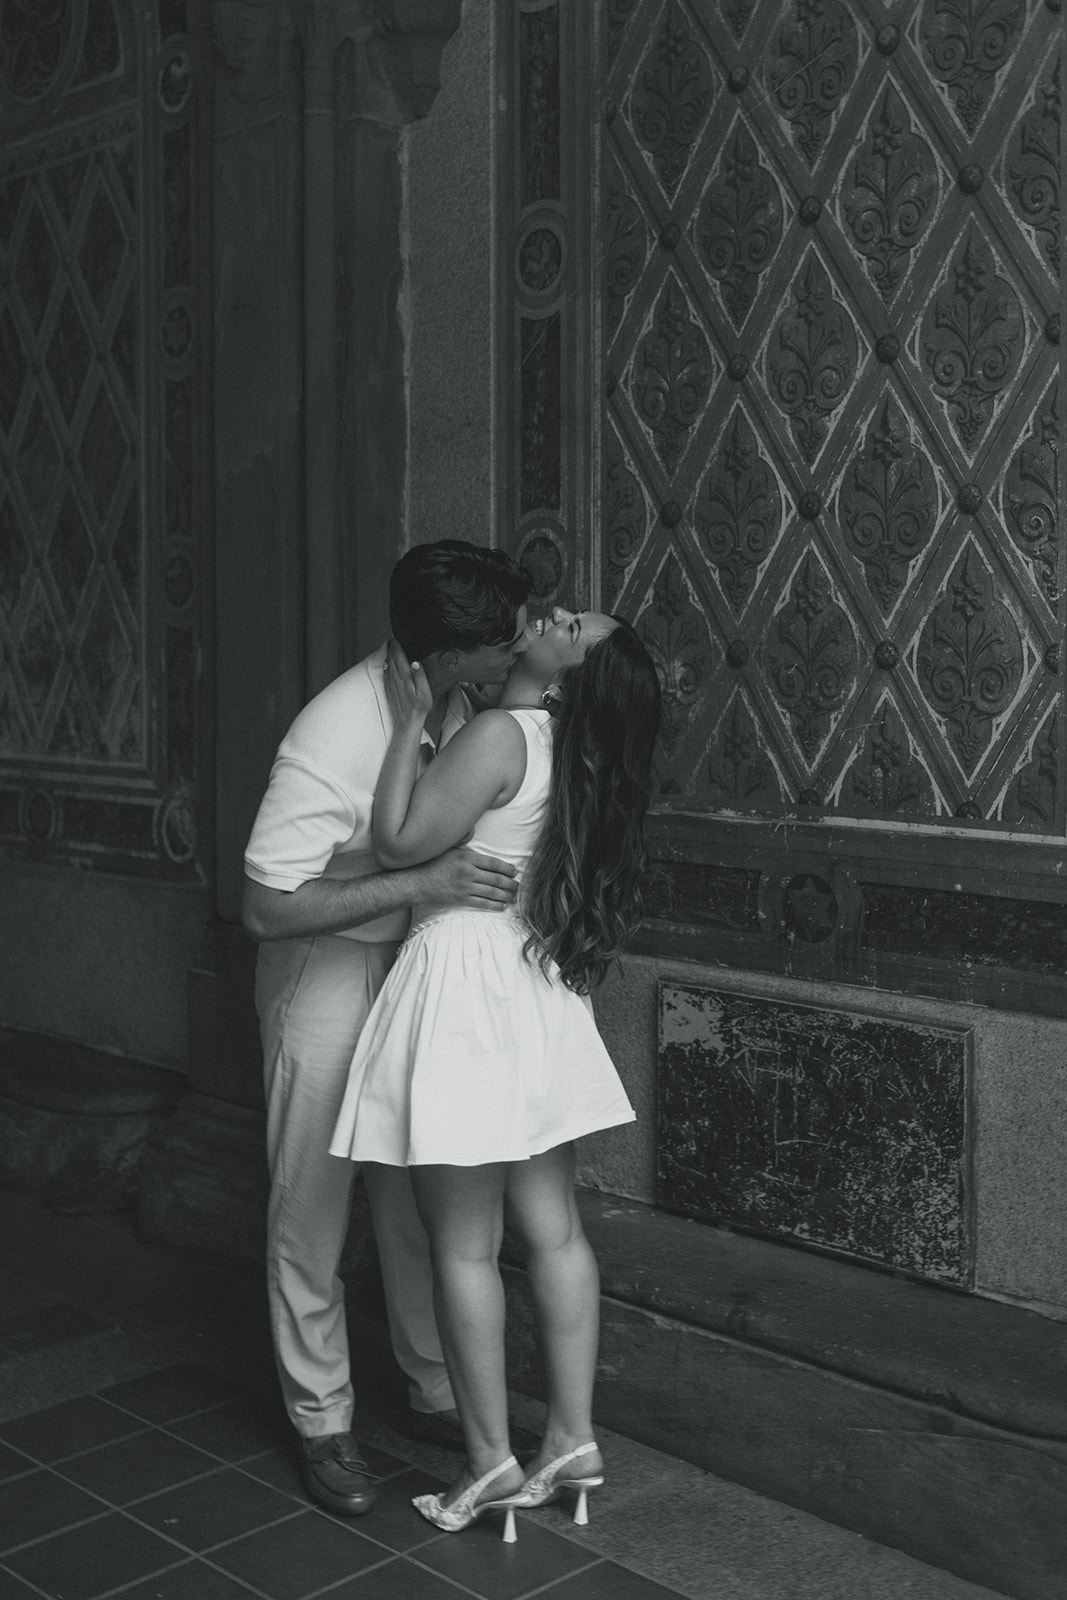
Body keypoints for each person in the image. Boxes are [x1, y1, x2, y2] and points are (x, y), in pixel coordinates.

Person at [329, 605, 661, 1539]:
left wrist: (411, 720)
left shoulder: (496, 735)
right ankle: (572, 1439)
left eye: (577, 629)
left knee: (463, 1243)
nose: (560, 614)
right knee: (553, 1230)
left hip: (464, 985)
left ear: (565, 677)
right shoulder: (571, 752)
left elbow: (397, 844)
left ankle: (487, 1464)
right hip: (530, 985)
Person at [242, 540, 532, 1517]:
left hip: (409, 964)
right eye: (496, 643)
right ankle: (321, 1418)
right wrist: (423, 882)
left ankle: (435, 1389)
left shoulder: (460, 706)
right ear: (443, 653)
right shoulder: (329, 732)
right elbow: (265, 903)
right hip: (320, 972)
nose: (511, 654)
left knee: (414, 1189)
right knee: (311, 1206)